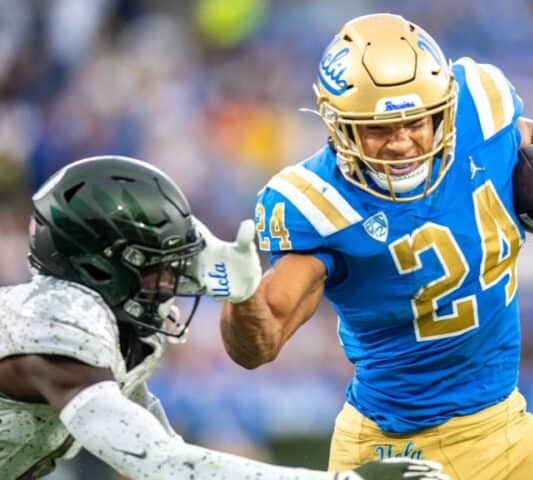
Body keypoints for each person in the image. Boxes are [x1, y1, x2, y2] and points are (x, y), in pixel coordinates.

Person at [202, 13, 533, 480]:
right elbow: (260, 342)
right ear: (339, 126)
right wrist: (240, 298)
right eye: (380, 129)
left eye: (416, 121)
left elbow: (520, 134)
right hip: (395, 452)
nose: (403, 142)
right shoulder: (323, 202)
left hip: (506, 426)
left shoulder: (480, 110)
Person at [0, 155, 449, 480]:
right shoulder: (56, 328)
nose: (171, 282)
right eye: (157, 267)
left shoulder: (103, 325)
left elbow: (166, 454)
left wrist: (233, 281)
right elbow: (158, 462)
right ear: (99, 267)